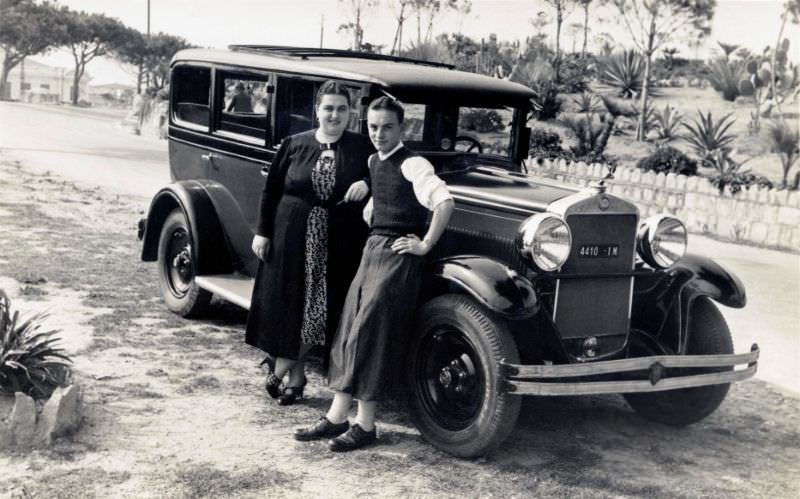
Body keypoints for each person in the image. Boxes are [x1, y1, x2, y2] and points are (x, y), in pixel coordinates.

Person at [293, 96, 454, 451]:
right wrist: (370, 200)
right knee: (349, 328)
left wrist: (425, 244)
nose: (379, 134)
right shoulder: (372, 160)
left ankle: (366, 425)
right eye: (373, 127)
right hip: (372, 250)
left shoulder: (414, 163)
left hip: (397, 257)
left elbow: (444, 203)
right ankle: (337, 417)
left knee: (369, 333)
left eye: (388, 127)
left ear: (402, 128)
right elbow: (382, 194)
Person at [245, 81, 373, 406]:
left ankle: (283, 366)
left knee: (319, 308)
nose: (335, 115)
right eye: (328, 108)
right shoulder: (294, 144)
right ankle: (296, 375)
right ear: (317, 110)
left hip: (337, 242)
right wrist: (263, 232)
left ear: (351, 112)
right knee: (290, 305)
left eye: (342, 109)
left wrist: (367, 182)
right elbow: (271, 190)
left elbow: (389, 172)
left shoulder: (362, 148)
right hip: (291, 235)